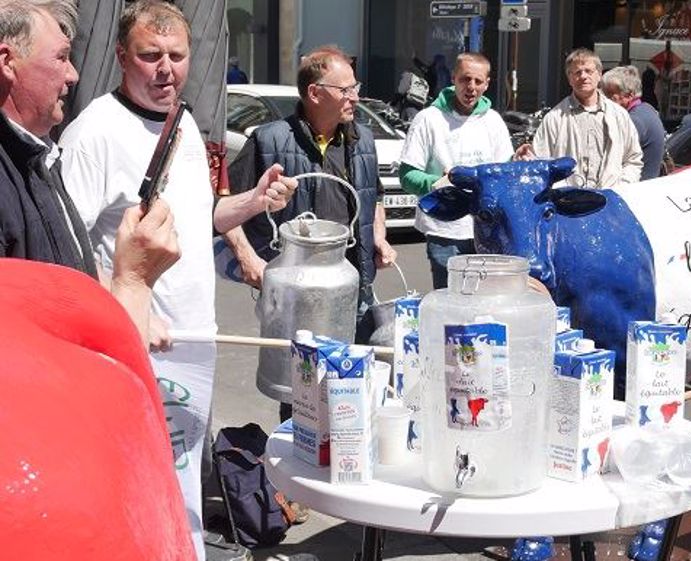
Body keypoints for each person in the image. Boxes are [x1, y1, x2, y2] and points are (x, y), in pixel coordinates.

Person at [57, 2, 296, 559]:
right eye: (150, 55)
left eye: (177, 55)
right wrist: (130, 305)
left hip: (196, 342)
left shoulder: (182, 121)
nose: (165, 68)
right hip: (137, 344)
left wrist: (251, 203)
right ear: (121, 57)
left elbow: (199, 214)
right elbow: (63, 243)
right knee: (138, 478)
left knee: (181, 477)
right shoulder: (95, 132)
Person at [0, 0, 179, 345]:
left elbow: (61, 268)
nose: (73, 75)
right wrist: (132, 283)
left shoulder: (37, 156)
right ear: (8, 62)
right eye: (61, 57)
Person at [223, 45, 395, 341]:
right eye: (346, 90)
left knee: (350, 381)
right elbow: (227, 208)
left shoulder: (363, 139)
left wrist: (378, 236)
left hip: (355, 288)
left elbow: (374, 196)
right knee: (295, 382)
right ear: (315, 94)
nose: (355, 97)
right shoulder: (269, 140)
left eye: (355, 87)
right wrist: (248, 259)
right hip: (293, 296)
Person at [398, 52, 513, 289]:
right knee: (449, 308)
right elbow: (407, 176)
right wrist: (438, 183)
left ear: (487, 84)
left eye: (478, 81)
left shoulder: (493, 121)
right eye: (465, 79)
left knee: (485, 307)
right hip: (444, 231)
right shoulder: (428, 119)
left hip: (487, 231)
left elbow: (505, 174)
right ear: (454, 78)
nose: (471, 87)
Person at [516, 48, 643, 189]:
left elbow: (633, 159)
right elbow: (541, 163)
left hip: (610, 200)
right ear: (569, 78)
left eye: (589, 71)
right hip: (567, 204)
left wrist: (621, 187)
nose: (583, 76)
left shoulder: (619, 116)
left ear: (599, 75)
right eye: (577, 72)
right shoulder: (555, 118)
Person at [601, 65, 666, 181]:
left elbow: (611, 160)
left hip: (636, 189)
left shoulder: (634, 120)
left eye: (610, 94)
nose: (604, 99)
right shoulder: (646, 109)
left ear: (629, 95)